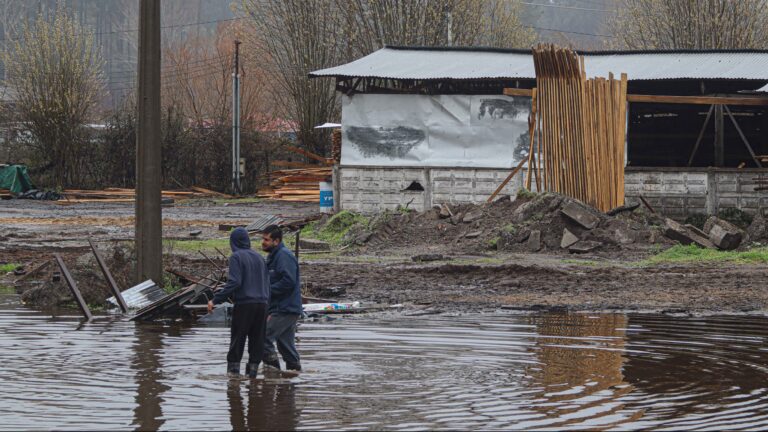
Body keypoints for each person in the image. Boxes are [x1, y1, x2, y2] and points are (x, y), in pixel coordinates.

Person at [208, 227, 270, 377]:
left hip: (245, 305)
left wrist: (215, 300)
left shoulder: (236, 257)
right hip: (262, 305)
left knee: (238, 340)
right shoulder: (260, 258)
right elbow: (267, 284)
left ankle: (233, 377)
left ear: (233, 242)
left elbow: (235, 282)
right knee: (257, 341)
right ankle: (253, 379)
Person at [261, 224, 303, 372]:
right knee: (286, 346)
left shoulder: (284, 256)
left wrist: (266, 291)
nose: (263, 242)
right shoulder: (273, 256)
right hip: (283, 307)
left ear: (276, 241)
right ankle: (293, 377)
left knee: (263, 338)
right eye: (263, 239)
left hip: (285, 308)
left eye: (266, 239)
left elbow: (289, 281)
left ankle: (272, 374)